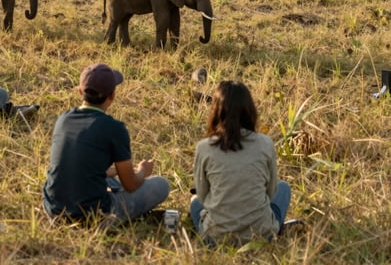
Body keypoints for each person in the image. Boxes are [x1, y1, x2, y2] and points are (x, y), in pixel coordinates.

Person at [42, 62, 170, 224]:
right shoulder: (114, 128)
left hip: (53, 209)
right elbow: (130, 184)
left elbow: (80, 166)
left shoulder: (63, 119)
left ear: (80, 91)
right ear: (112, 96)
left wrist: (117, 171)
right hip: (92, 216)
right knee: (161, 185)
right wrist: (143, 171)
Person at [190, 80, 292, 245]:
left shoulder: (204, 148)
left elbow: (202, 196)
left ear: (215, 111)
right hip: (260, 233)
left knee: (194, 202)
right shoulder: (265, 144)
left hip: (216, 236)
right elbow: (271, 192)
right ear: (250, 110)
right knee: (283, 188)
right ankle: (274, 229)